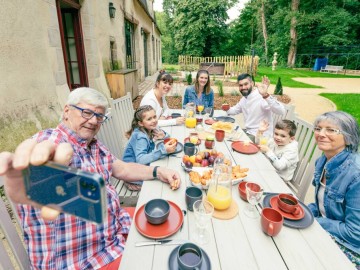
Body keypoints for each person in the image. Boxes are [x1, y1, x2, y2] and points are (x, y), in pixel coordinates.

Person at [0, 87, 181, 269]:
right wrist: (33, 175)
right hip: (85, 259)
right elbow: (41, 169)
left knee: (171, 221)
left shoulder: (93, 144)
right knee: (160, 260)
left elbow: (123, 169)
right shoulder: (52, 143)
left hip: (115, 227)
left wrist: (158, 172)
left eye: (99, 116)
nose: (94, 120)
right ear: (66, 111)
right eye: (87, 112)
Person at [307, 111, 360, 268]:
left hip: (351, 248)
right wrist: (301, 211)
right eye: (318, 128)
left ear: (348, 137)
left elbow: (355, 234)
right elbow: (322, 206)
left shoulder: (356, 175)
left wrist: (314, 222)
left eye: (331, 130)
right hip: (327, 231)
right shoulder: (322, 161)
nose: (321, 134)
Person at [122, 105, 177, 191]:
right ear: (140, 123)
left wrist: (164, 135)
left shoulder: (150, 127)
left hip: (140, 167)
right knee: (161, 185)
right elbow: (140, 160)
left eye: (155, 117)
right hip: (132, 176)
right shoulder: (141, 137)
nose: (154, 121)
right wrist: (163, 150)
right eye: (149, 119)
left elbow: (168, 136)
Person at [224, 73, 285, 142]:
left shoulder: (261, 96)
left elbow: (281, 111)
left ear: (252, 83)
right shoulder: (244, 99)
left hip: (260, 136)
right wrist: (227, 108)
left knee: (230, 142)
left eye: (246, 84)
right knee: (225, 134)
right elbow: (234, 110)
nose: (243, 87)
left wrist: (265, 95)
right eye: (241, 85)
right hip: (249, 132)